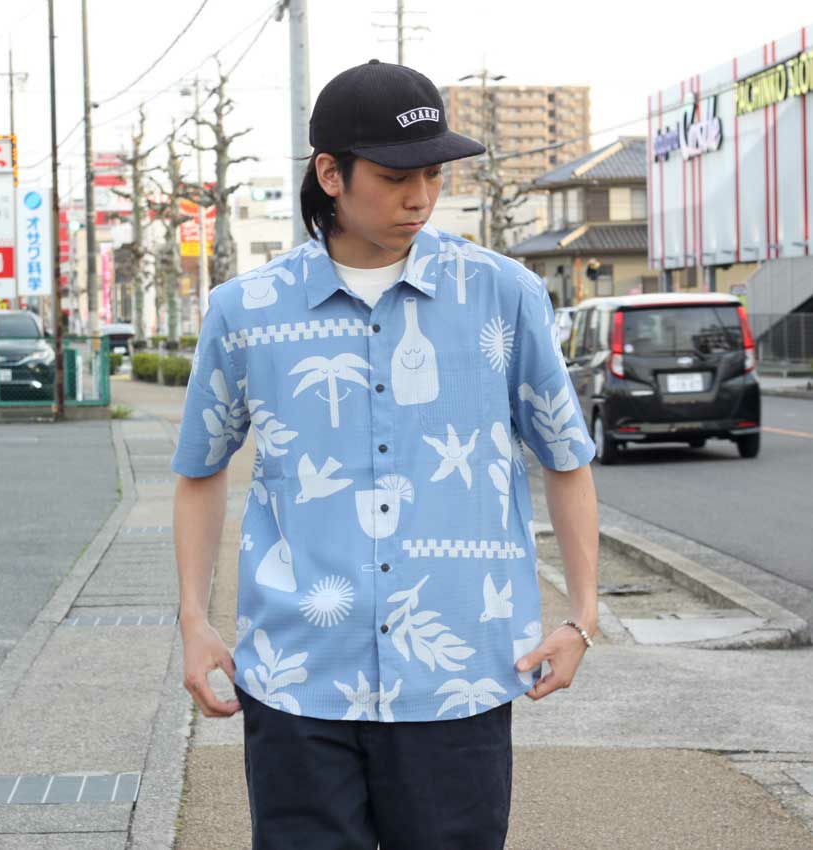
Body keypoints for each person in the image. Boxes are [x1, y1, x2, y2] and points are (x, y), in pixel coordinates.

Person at [171, 59, 599, 850]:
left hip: (457, 679)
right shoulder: (245, 310)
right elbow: (199, 471)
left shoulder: (502, 295)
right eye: (397, 176)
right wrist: (194, 622)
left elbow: (566, 458)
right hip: (298, 679)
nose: (420, 198)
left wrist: (582, 617)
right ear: (330, 174)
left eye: (433, 175)